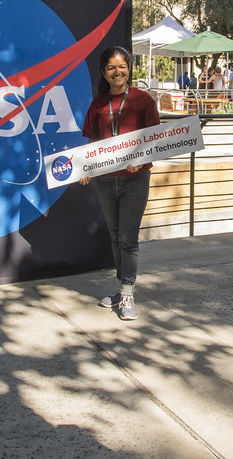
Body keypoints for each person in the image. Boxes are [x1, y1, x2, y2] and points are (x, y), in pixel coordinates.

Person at [80, 46, 161, 321]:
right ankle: (121, 287)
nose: (117, 72)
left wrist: (143, 157)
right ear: (104, 72)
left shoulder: (143, 100)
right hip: (105, 181)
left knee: (128, 238)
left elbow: (154, 139)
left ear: (129, 69)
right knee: (115, 237)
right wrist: (84, 166)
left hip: (135, 180)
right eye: (111, 68)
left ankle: (128, 293)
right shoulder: (97, 104)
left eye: (122, 66)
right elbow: (92, 141)